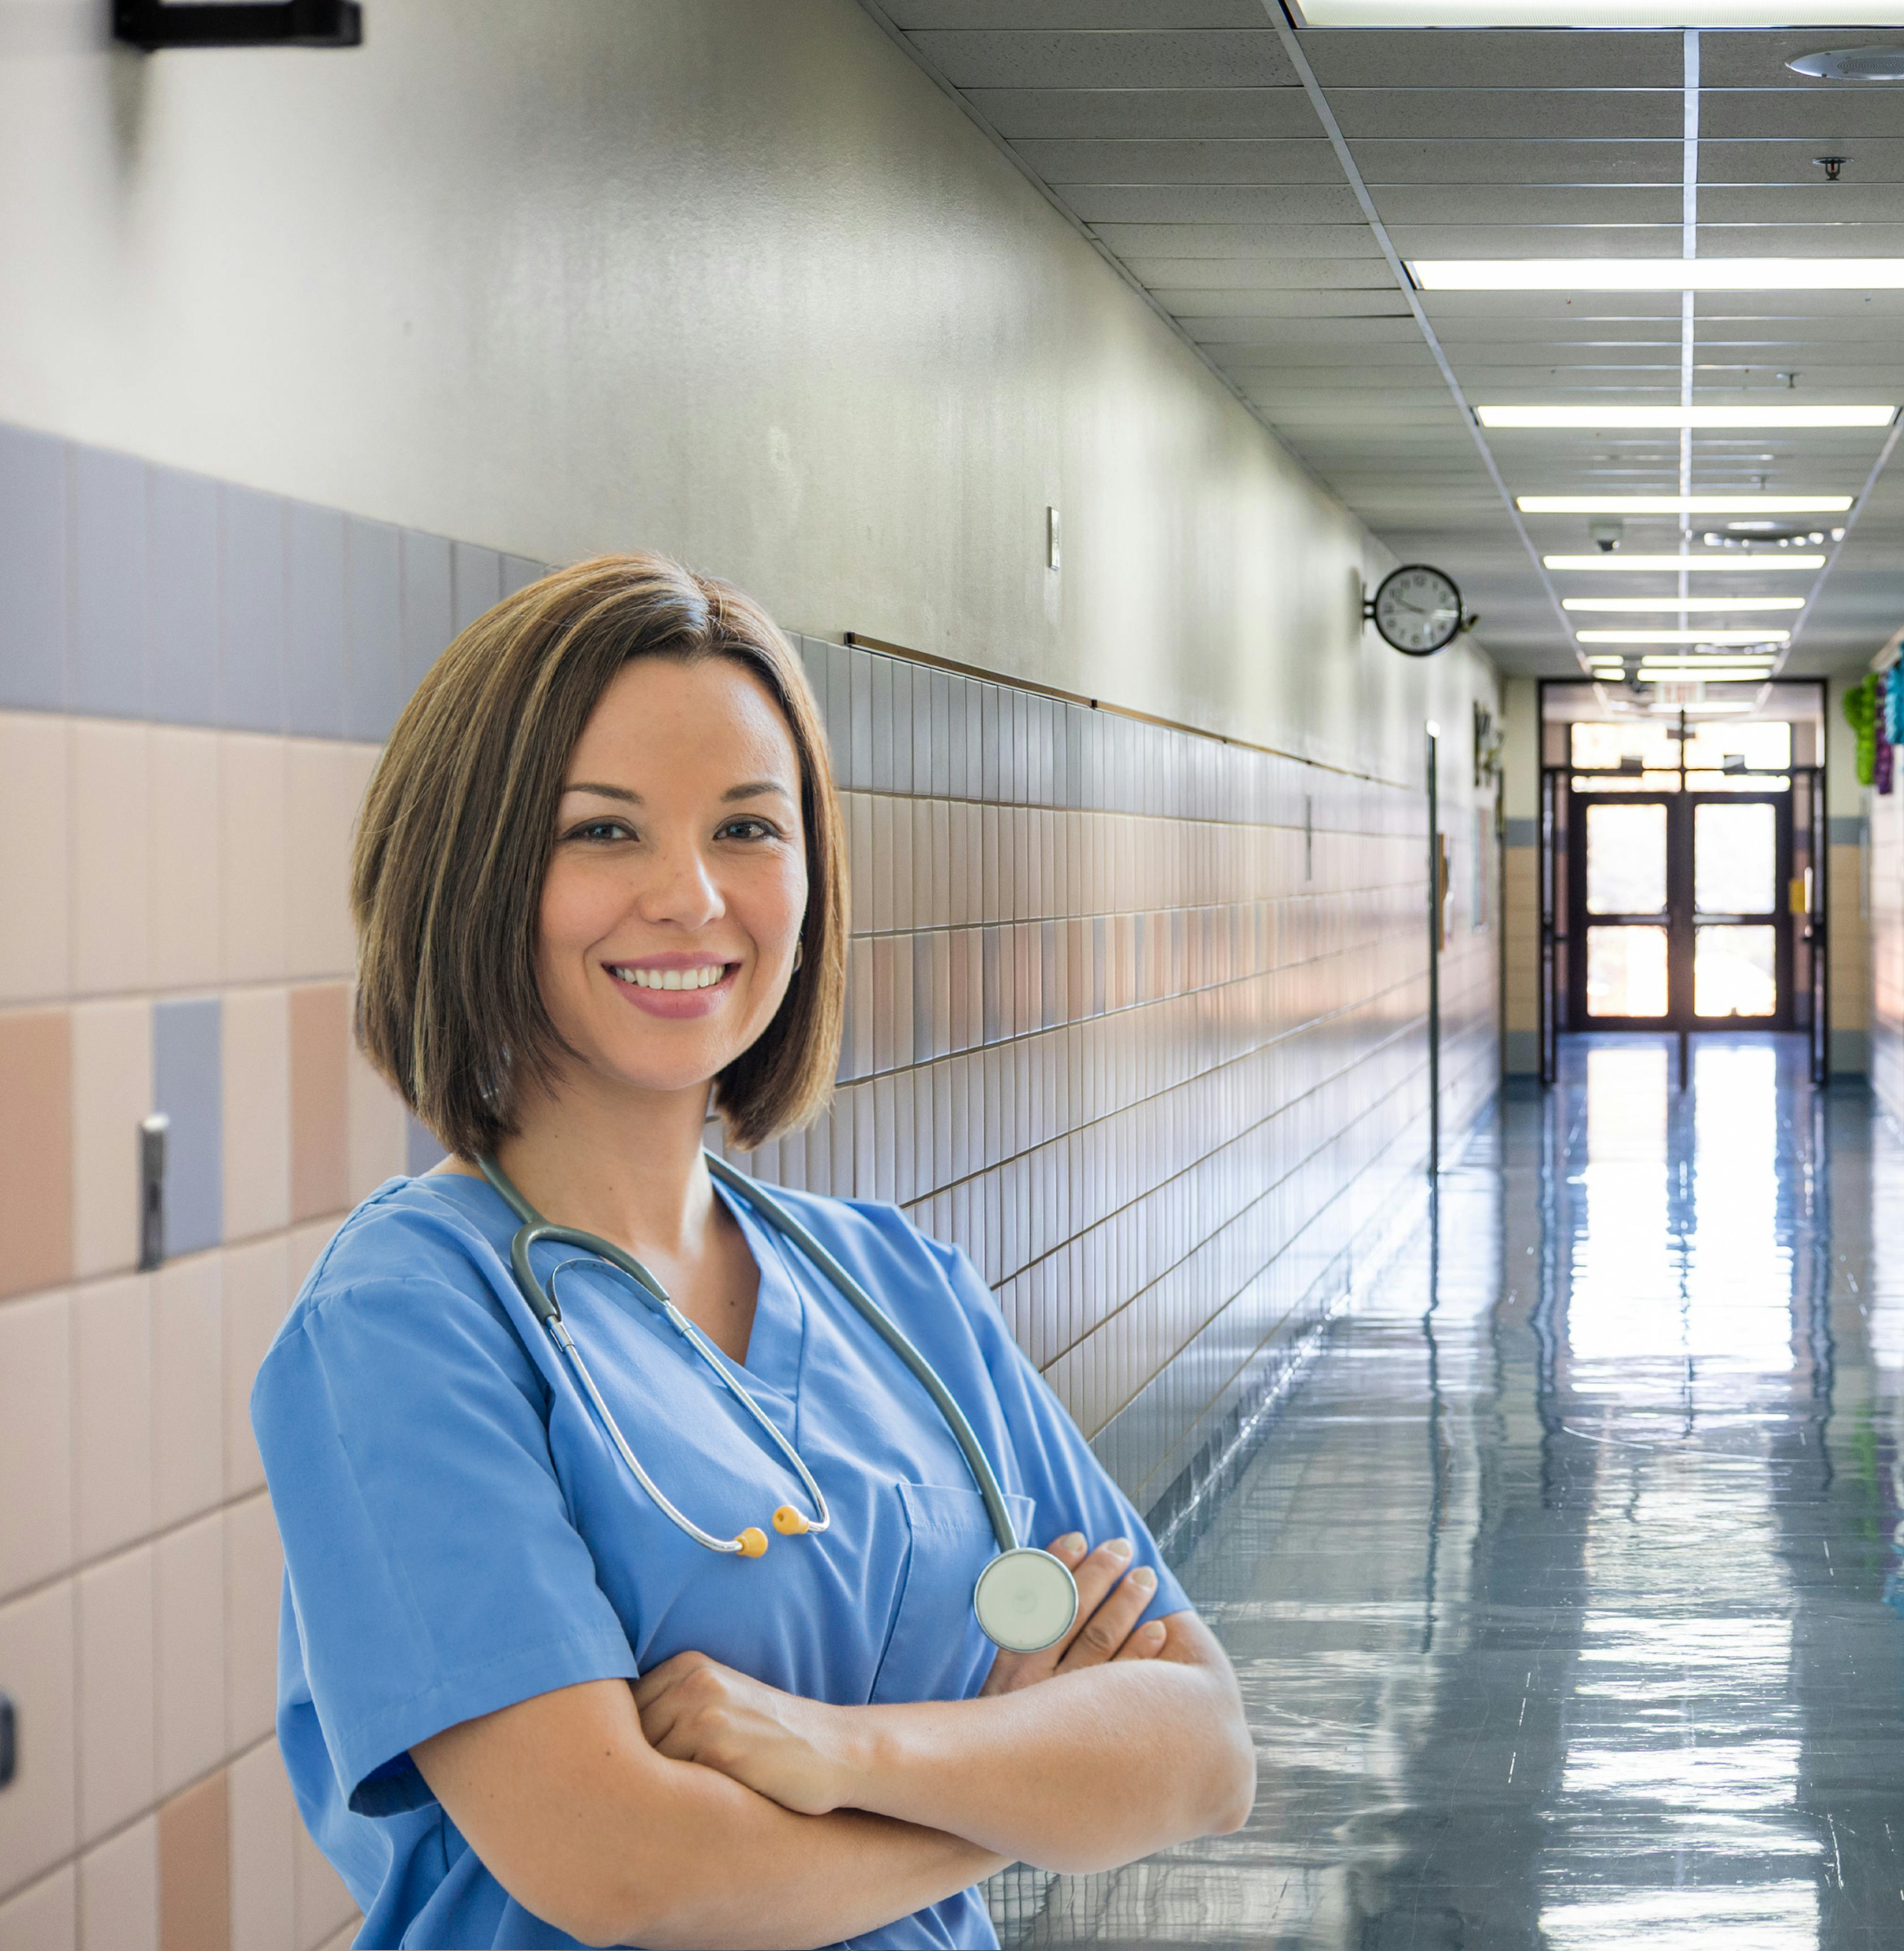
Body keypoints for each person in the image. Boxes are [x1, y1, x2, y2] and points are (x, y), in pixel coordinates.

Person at [253, 554, 1252, 1949]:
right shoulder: (410, 1317)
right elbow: (625, 1869)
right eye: (602, 833)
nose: (691, 897)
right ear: (471, 870)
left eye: (747, 828)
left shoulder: (893, 1287)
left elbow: (1202, 1750)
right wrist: (1025, 1773)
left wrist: (844, 1754)